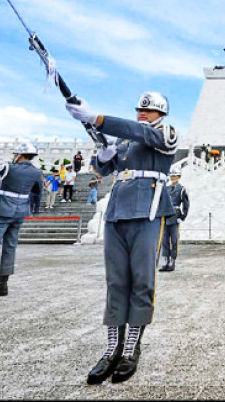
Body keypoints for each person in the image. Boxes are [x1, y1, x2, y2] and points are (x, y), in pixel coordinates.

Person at [66, 90, 178, 384]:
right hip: (118, 210)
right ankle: (112, 347)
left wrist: (97, 118)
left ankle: (131, 348)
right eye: (140, 109)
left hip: (148, 211)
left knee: (142, 279)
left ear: (161, 114)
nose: (142, 113)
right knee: (116, 280)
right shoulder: (123, 141)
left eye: (149, 110)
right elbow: (103, 168)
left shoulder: (165, 133)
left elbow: (141, 133)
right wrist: (103, 155)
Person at [0, 141, 44, 300]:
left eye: (15, 154)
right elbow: (37, 191)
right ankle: (3, 284)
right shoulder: (37, 172)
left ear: (19, 155)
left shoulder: (9, 167)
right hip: (21, 211)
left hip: (3, 209)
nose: (14, 156)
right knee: (10, 246)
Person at [159, 165, 189, 272]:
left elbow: (186, 205)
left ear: (179, 177)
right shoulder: (166, 189)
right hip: (166, 217)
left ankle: (172, 261)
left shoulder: (182, 189)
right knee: (164, 240)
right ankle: (166, 261)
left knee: (174, 240)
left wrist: (182, 217)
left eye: (175, 176)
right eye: (171, 176)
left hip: (175, 217)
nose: (173, 178)